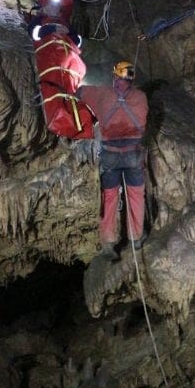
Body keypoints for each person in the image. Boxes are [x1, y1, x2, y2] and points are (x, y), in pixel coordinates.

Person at [78, 60, 148, 261]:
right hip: (133, 155)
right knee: (136, 195)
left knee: (109, 197)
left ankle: (108, 243)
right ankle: (136, 239)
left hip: (110, 156)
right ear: (131, 78)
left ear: (115, 76)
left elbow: (79, 92)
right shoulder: (141, 96)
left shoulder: (101, 93)